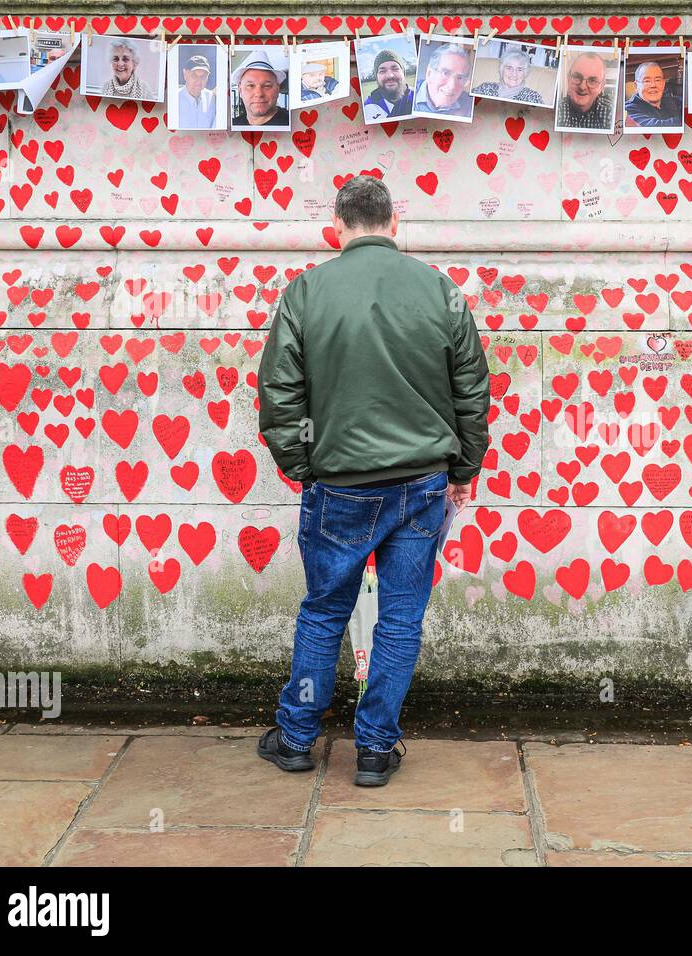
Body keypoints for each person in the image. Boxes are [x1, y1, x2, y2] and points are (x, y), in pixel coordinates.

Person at [256, 176, 491, 787]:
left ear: (338, 226)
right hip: (421, 484)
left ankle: (297, 737)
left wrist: (303, 465)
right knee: (401, 619)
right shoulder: (440, 291)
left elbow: (279, 395)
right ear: (394, 222)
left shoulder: (305, 292)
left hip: (338, 484)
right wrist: (463, 469)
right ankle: (376, 749)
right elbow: (471, 390)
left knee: (323, 612)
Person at [556, 51, 614, 130]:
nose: (582, 87)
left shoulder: (611, 113)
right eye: (577, 77)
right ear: (568, 79)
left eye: (592, 80)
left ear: (602, 86)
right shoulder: (556, 111)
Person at [231, 51, 288, 128]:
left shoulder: (293, 123)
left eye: (267, 86)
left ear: (277, 89)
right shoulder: (232, 126)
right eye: (250, 85)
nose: (259, 94)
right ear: (240, 91)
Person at [413, 42, 472, 117]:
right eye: (446, 73)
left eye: (460, 77)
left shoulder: (470, 104)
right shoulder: (405, 98)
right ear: (429, 73)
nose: (452, 86)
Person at [473, 48, 544, 105]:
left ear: (525, 74)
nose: (514, 74)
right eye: (509, 68)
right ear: (501, 70)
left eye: (519, 69)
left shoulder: (532, 97)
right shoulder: (486, 88)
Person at [624, 60, 681, 127]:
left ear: (663, 83)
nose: (653, 85)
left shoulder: (675, 101)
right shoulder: (628, 109)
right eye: (647, 81)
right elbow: (655, 127)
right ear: (636, 86)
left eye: (657, 80)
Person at [362, 48, 411, 120]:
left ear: (403, 73)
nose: (390, 76)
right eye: (382, 71)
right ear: (377, 77)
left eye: (395, 69)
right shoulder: (368, 108)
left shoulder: (418, 99)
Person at [176, 53, 216, 128]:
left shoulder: (212, 98)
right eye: (194, 76)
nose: (198, 81)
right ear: (185, 74)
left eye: (203, 76)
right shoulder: (174, 98)